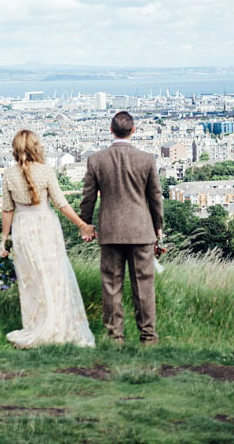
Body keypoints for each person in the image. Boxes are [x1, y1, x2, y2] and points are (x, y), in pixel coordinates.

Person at [0, 129, 96, 349]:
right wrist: (82, 225)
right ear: (36, 147)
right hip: (46, 227)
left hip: (23, 228)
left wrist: (4, 238)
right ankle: (58, 324)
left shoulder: (9, 175)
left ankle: (36, 325)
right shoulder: (46, 171)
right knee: (55, 276)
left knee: (30, 280)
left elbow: (7, 209)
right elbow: (61, 203)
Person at [79, 111, 163, 344]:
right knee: (144, 287)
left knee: (112, 286)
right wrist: (158, 228)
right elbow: (155, 197)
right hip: (140, 230)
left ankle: (115, 337)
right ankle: (148, 337)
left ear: (111, 129)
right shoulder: (146, 159)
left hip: (111, 230)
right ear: (133, 130)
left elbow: (88, 197)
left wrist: (85, 224)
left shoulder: (96, 160)